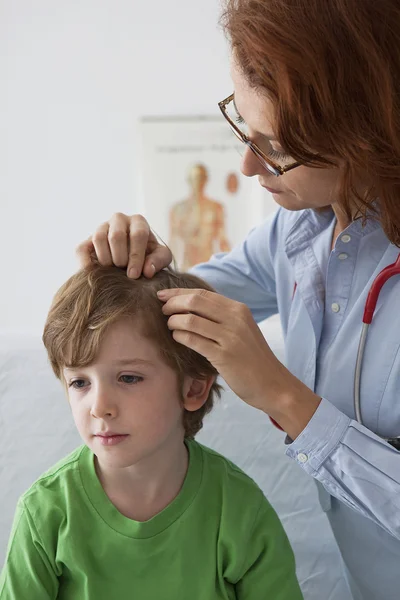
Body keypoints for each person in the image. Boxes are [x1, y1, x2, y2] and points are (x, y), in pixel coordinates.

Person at [75, 2, 400, 599]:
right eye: (242, 126)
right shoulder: (298, 229)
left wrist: (282, 396)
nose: (248, 165)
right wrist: (136, 267)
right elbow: (176, 298)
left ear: (366, 129)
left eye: (275, 144)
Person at [0, 265, 302, 599]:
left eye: (129, 378)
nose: (99, 407)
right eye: (80, 382)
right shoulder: (45, 511)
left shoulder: (240, 509)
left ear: (193, 389)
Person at [169, 163, 231, 270]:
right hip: (186, 267)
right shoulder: (177, 209)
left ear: (206, 180)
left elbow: (222, 240)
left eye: (201, 178)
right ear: (189, 180)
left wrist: (230, 265)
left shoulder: (216, 208)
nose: (198, 182)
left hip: (208, 266)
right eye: (194, 178)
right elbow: (173, 241)